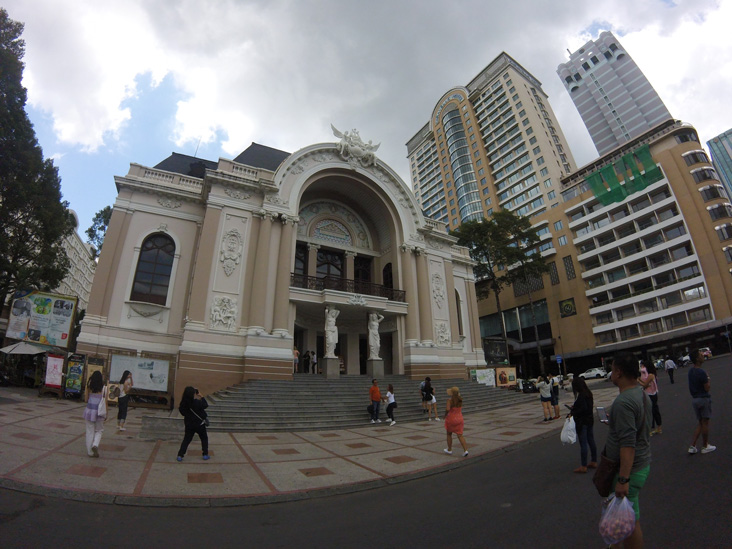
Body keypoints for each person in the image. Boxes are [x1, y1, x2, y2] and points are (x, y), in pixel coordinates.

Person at [605, 353, 652, 549]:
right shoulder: (640, 394)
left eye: (612, 369)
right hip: (641, 464)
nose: (611, 373)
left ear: (619, 372)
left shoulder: (623, 402)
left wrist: (623, 479)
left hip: (628, 471)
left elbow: (628, 445)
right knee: (624, 520)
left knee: (628, 523)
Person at [687, 348, 715, 454]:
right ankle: (705, 445)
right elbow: (707, 388)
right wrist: (708, 378)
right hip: (703, 399)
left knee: (700, 423)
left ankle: (692, 445)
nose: (703, 355)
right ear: (697, 359)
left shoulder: (691, 371)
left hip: (695, 400)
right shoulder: (702, 372)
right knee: (705, 423)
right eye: (700, 354)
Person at [568, 377, 597, 473]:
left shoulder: (581, 396)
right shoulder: (589, 393)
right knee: (591, 440)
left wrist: (573, 411)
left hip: (583, 422)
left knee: (583, 443)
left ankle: (583, 465)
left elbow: (583, 409)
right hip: (590, 420)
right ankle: (594, 460)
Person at [177, 386, 210, 461]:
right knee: (204, 438)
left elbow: (183, 413)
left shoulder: (183, 404)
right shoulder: (196, 402)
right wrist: (201, 395)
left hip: (189, 425)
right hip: (200, 424)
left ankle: (180, 455)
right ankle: (205, 454)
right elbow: (205, 405)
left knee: (186, 439)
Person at [83, 371, 106, 458]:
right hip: (99, 412)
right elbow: (105, 403)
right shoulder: (104, 388)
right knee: (99, 430)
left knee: (89, 431)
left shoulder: (89, 387)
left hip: (89, 411)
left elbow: (85, 399)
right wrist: (106, 414)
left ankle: (89, 452)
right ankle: (95, 444)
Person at [443, 387, 469, 457]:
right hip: (459, 418)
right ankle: (465, 450)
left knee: (449, 434)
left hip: (451, 419)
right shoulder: (460, 400)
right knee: (460, 435)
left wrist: (445, 415)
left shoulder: (449, 400)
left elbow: (448, 409)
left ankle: (449, 449)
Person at [639, 362, 662, 436]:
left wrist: (638, 380)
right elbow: (646, 383)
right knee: (654, 411)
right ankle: (658, 428)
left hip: (651, 395)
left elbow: (645, 385)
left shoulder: (651, 375)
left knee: (651, 412)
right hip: (651, 394)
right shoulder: (650, 375)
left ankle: (652, 429)